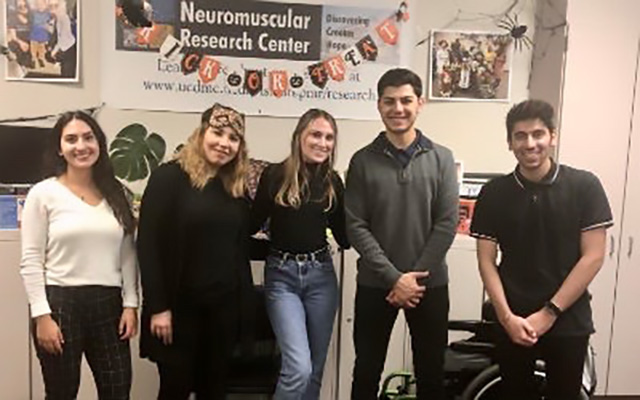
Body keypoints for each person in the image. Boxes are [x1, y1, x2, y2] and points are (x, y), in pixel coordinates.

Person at [470, 99, 613, 399]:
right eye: (520, 136)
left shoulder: (584, 186)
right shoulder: (494, 193)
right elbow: (486, 261)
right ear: (509, 142)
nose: (530, 143)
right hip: (513, 321)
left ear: (552, 136)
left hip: (568, 320)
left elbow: (593, 256)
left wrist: (549, 313)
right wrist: (507, 317)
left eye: (538, 134)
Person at [345, 68, 459, 399]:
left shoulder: (441, 158)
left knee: (431, 373)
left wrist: (413, 279)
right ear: (378, 105)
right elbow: (356, 225)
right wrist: (394, 278)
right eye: (389, 101)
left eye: (406, 100)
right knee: (366, 370)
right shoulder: (362, 161)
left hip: (429, 286)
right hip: (375, 284)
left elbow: (446, 222)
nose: (398, 108)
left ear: (420, 103)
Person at [137, 103, 253, 400]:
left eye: (233, 138)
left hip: (222, 311)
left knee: (214, 390)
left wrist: (243, 311)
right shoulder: (169, 178)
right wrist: (159, 307)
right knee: (175, 388)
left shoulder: (235, 188)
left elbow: (239, 250)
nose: (224, 143)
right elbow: (148, 245)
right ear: (201, 133)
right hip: (177, 310)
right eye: (217, 133)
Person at [20, 111, 139, 400]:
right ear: (60, 148)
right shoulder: (43, 193)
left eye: (88, 137)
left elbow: (127, 253)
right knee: (62, 392)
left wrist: (131, 304)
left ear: (99, 143)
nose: (81, 146)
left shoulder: (117, 193)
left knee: (118, 391)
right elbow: (31, 259)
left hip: (109, 304)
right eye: (71, 139)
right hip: (59, 304)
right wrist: (41, 315)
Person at [250, 108, 349, 400]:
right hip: (282, 278)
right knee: (298, 369)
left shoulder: (333, 182)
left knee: (315, 371)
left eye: (329, 137)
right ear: (299, 137)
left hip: (321, 277)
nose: (323, 143)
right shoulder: (275, 175)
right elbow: (249, 224)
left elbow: (345, 238)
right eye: (316, 134)